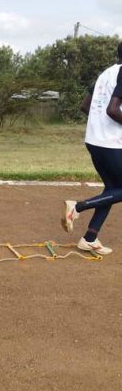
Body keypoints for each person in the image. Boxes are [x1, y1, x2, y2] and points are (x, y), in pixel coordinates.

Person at [62, 42, 122, 255]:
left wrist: (99, 127)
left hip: (95, 140)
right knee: (119, 190)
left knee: (113, 189)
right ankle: (77, 207)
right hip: (111, 143)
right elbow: (113, 110)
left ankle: (89, 238)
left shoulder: (105, 73)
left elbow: (85, 106)